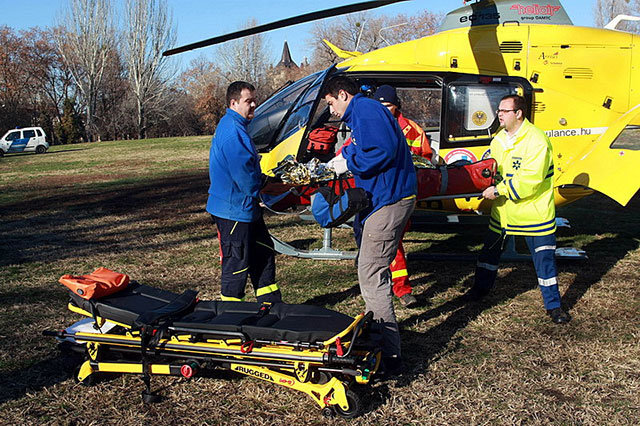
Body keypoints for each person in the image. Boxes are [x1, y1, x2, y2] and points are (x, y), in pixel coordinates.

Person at [323, 76, 417, 374]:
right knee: (372, 267)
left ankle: (390, 354)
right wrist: (345, 156)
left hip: (390, 199)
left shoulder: (364, 111)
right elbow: (366, 147)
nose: (331, 111)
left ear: (342, 94)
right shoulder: (363, 112)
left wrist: (350, 163)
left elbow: (381, 151)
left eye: (331, 103)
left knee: (371, 271)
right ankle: (380, 335)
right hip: (387, 196)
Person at [467, 94, 570, 324]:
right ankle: (479, 291)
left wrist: (499, 191)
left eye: (504, 110)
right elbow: (492, 170)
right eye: (499, 110)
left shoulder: (537, 141)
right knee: (488, 255)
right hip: (502, 213)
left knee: (544, 262)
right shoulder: (498, 140)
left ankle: (554, 306)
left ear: (518, 113)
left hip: (534, 214)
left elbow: (530, 180)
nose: (499, 114)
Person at [347, 85, 433, 307]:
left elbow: (426, 158)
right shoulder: (368, 121)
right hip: (378, 194)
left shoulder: (411, 129)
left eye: (388, 106)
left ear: (397, 106)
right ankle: (390, 284)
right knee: (380, 242)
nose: (384, 109)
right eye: (381, 105)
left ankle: (400, 289)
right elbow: (350, 148)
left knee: (392, 243)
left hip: (397, 192)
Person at [206, 81, 282, 304]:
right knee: (237, 265)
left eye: (254, 100)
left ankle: (271, 306)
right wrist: (269, 185)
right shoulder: (233, 133)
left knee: (263, 253)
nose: (254, 105)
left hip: (246, 209)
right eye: (248, 101)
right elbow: (246, 178)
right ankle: (230, 318)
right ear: (233, 103)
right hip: (233, 212)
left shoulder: (237, 126)